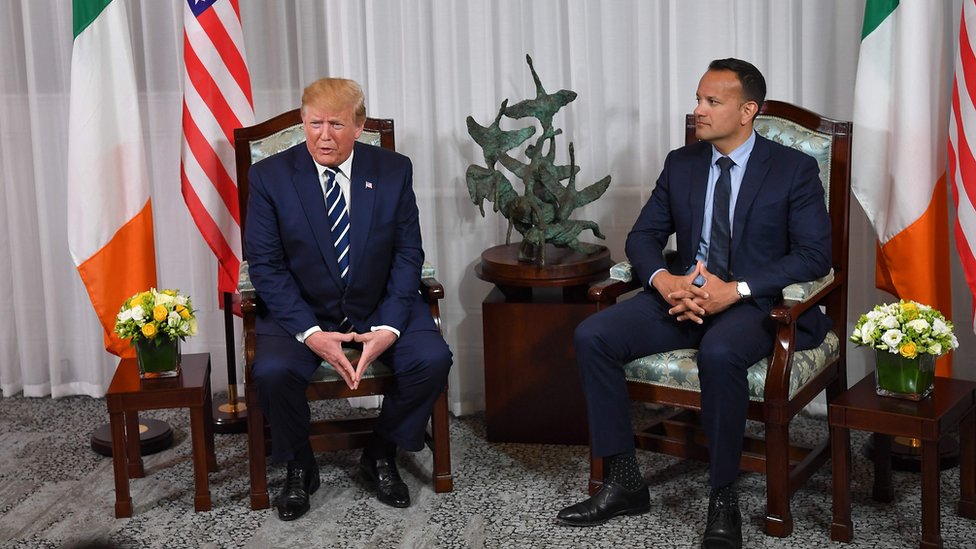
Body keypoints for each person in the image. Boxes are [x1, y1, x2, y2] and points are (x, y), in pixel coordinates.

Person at [555, 59, 831, 549]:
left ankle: (723, 498)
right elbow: (643, 236)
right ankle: (623, 481)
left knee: (720, 353)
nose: (698, 110)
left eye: (712, 101)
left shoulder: (793, 169)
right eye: (698, 99)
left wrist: (736, 289)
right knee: (593, 335)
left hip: (754, 305)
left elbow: (814, 255)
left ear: (747, 111)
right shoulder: (681, 163)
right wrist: (665, 281)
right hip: (683, 295)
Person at [244, 77, 453, 522]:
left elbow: (407, 253)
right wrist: (311, 333)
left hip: (379, 303)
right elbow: (266, 266)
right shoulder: (269, 177)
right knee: (273, 372)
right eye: (315, 123)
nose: (324, 136)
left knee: (432, 359)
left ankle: (380, 451)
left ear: (359, 126)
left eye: (336, 125)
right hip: (302, 310)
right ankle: (300, 464)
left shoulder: (393, 170)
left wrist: (389, 326)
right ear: (303, 122)